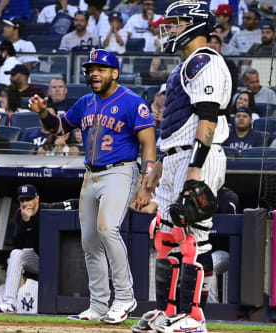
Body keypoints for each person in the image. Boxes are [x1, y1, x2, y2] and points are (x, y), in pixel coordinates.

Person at [29, 49, 156, 324]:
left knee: (108, 229)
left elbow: (148, 143)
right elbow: (59, 127)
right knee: (89, 242)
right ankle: (98, 304)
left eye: (101, 68)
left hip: (120, 171)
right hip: (90, 174)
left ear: (115, 72)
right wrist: (42, 113)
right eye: (91, 69)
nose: (94, 73)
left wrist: (145, 183)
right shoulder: (86, 101)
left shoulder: (132, 102)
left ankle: (124, 297)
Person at [132, 1, 232, 332]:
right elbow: (179, 124)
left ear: (195, 24)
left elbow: (208, 120)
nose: (169, 28)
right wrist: (160, 165)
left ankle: (195, 317)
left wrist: (193, 170)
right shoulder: (184, 66)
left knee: (193, 238)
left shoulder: (207, 62)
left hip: (199, 157)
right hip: (176, 155)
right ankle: (168, 311)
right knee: (165, 233)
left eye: (176, 22)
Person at [0, 184, 79, 313]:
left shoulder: (48, 210)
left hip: (60, 262)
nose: (25, 203)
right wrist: (25, 222)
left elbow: (74, 203)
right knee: (16, 254)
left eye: (28, 199)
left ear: (36, 198)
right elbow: (17, 244)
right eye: (22, 200)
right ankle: (9, 303)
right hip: (40, 260)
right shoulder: (19, 214)